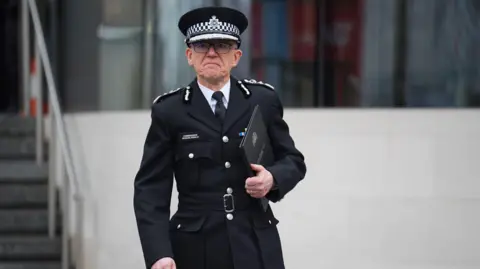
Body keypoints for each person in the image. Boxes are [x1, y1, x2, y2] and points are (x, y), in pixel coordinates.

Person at [133, 6, 306, 269]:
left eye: (222, 45)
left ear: (236, 56)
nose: (212, 53)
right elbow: (151, 189)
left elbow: (293, 160)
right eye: (202, 46)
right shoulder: (170, 111)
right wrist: (159, 253)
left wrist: (272, 179)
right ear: (189, 55)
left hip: (254, 242)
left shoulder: (262, 100)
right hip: (194, 247)